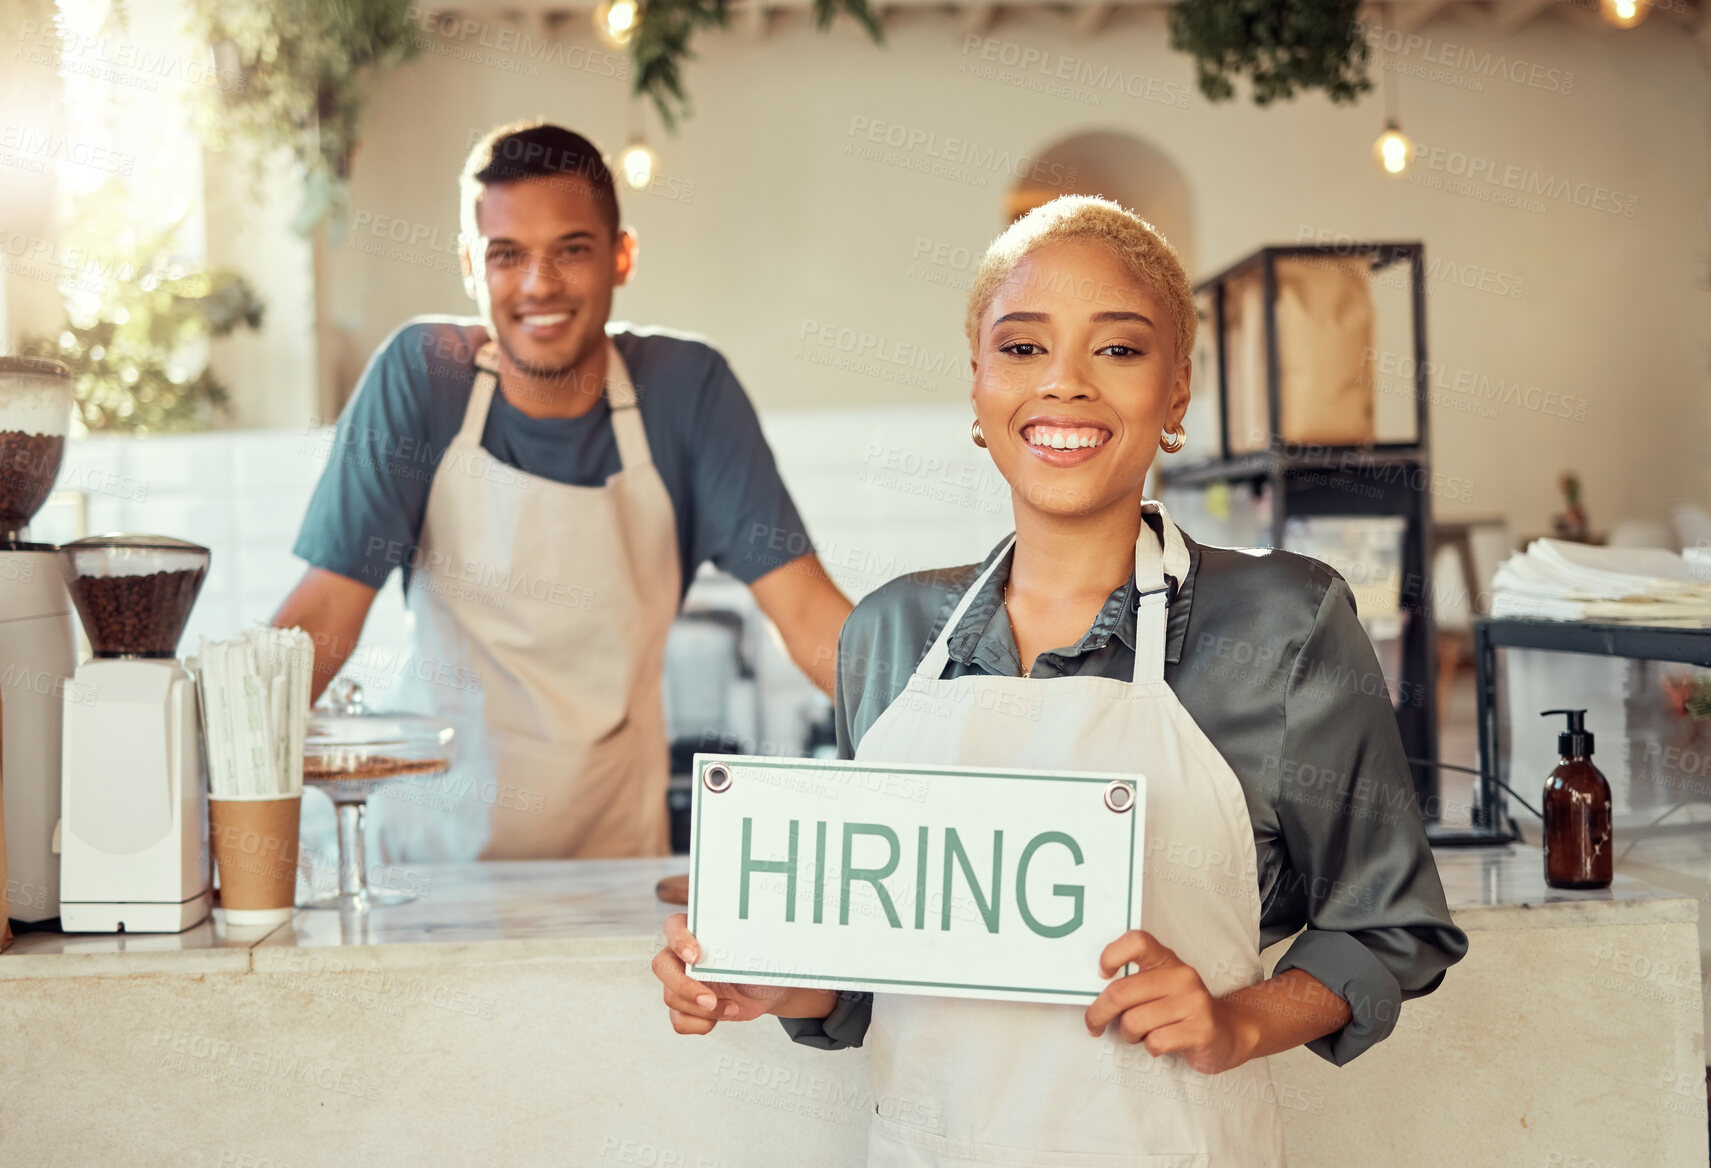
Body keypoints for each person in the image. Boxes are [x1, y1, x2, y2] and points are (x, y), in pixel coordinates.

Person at [651, 196, 1468, 1164]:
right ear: (978, 387)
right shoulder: (890, 637)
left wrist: (1234, 1023)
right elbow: (878, 968)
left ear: (1176, 393)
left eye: (1118, 350)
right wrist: (777, 983)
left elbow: (1388, 922)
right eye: (1024, 348)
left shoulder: (1286, 623)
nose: (1065, 384)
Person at [276, 121, 851, 862]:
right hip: (430, 867)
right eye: (506, 256)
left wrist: (945, 728)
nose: (538, 285)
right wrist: (215, 773)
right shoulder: (422, 378)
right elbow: (325, 611)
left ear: (622, 256)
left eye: (570, 251)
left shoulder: (687, 392)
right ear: (468, 267)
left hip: (611, 871)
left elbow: (808, 617)